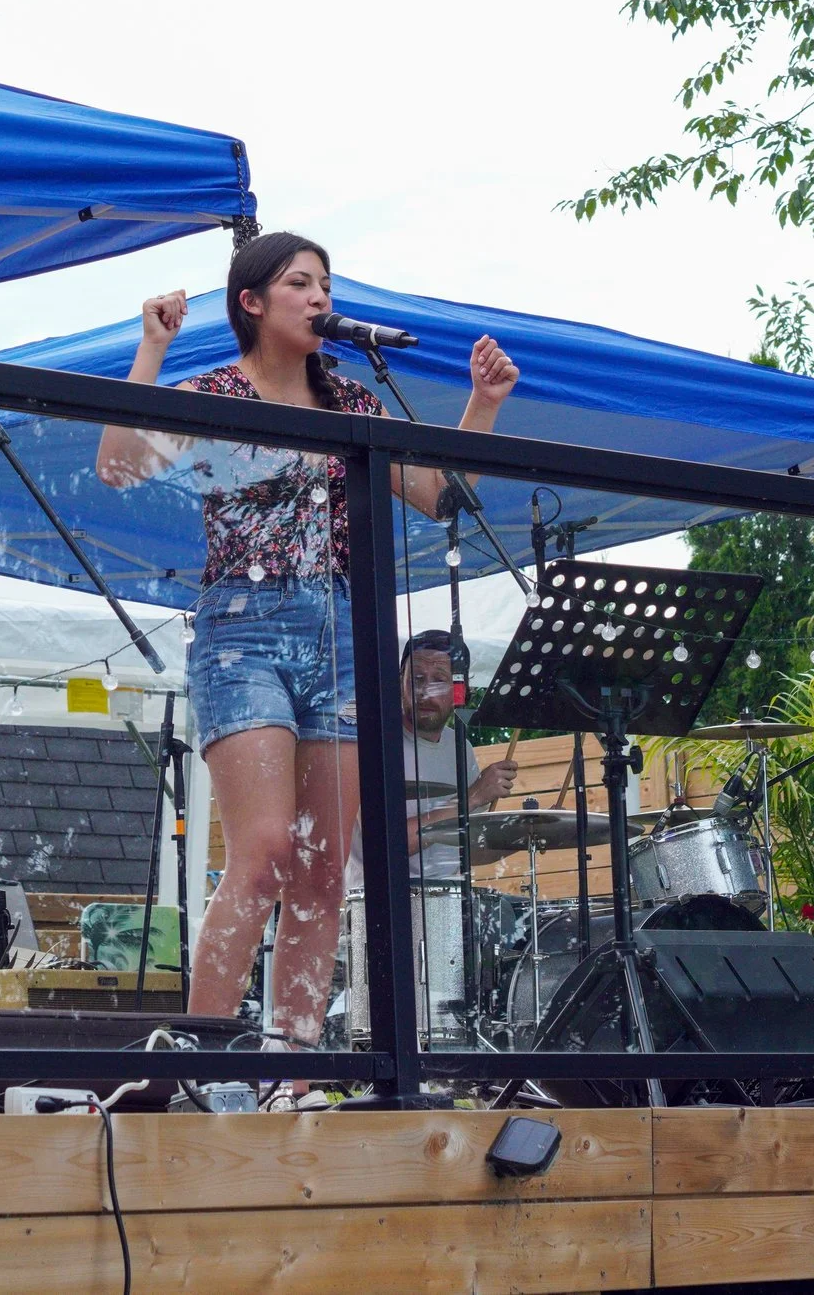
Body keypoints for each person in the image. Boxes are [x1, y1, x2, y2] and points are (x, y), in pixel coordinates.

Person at [94, 231, 519, 1045]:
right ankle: (201, 1057)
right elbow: (117, 465)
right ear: (252, 301)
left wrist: (483, 405)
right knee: (261, 852)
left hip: (343, 628)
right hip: (244, 627)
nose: (321, 296)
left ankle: (291, 1063)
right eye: (300, 282)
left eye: (325, 283)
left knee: (326, 867)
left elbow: (437, 495)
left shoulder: (353, 403)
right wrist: (152, 348)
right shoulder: (218, 389)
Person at [393, 629, 517, 877]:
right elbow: (385, 845)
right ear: (399, 684)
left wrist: (532, 834)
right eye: (416, 678)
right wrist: (471, 798)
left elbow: (467, 850)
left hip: (449, 902)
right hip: (386, 906)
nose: (425, 692)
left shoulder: (460, 747)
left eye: (439, 679)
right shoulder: (373, 743)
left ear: (461, 692)